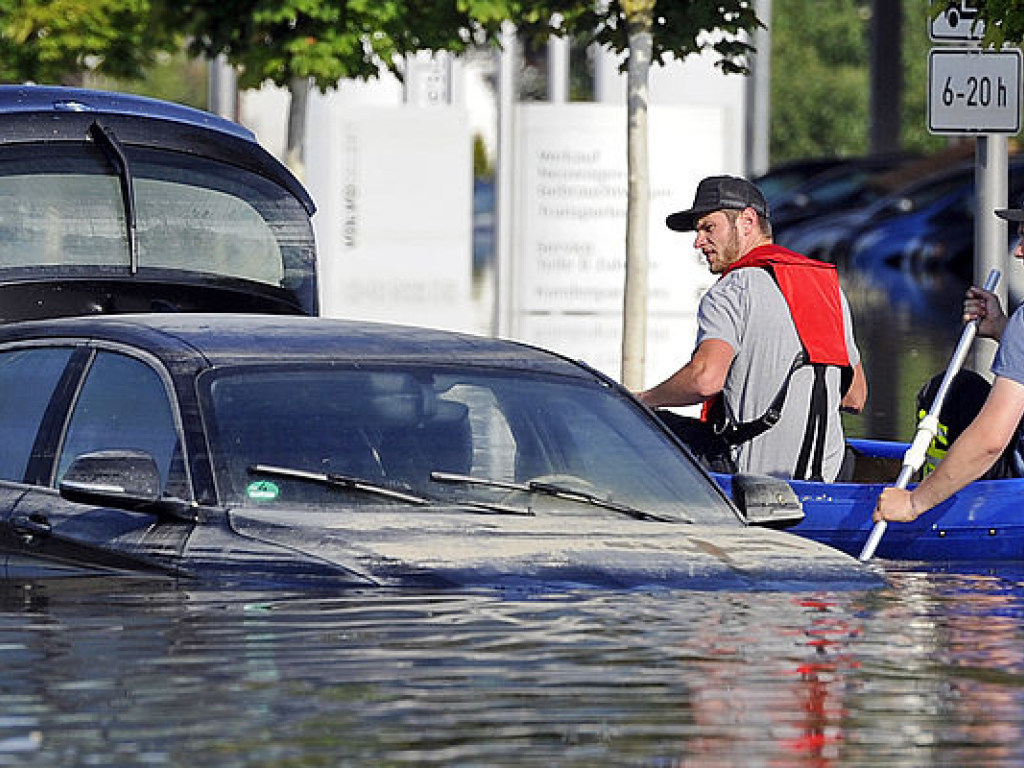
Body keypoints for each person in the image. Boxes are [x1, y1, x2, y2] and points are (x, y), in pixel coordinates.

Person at [637, 175, 868, 481]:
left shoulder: (733, 288)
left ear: (747, 221)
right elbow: (854, 396)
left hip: (751, 479)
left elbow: (705, 380)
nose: (698, 242)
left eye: (709, 228)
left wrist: (642, 400)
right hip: (827, 477)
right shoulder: (828, 288)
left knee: (640, 423)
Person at [874, 204, 1024, 524]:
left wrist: (913, 503)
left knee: (953, 392)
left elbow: (991, 440)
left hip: (1015, 497)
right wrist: (1001, 329)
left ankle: (939, 502)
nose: (1019, 252)